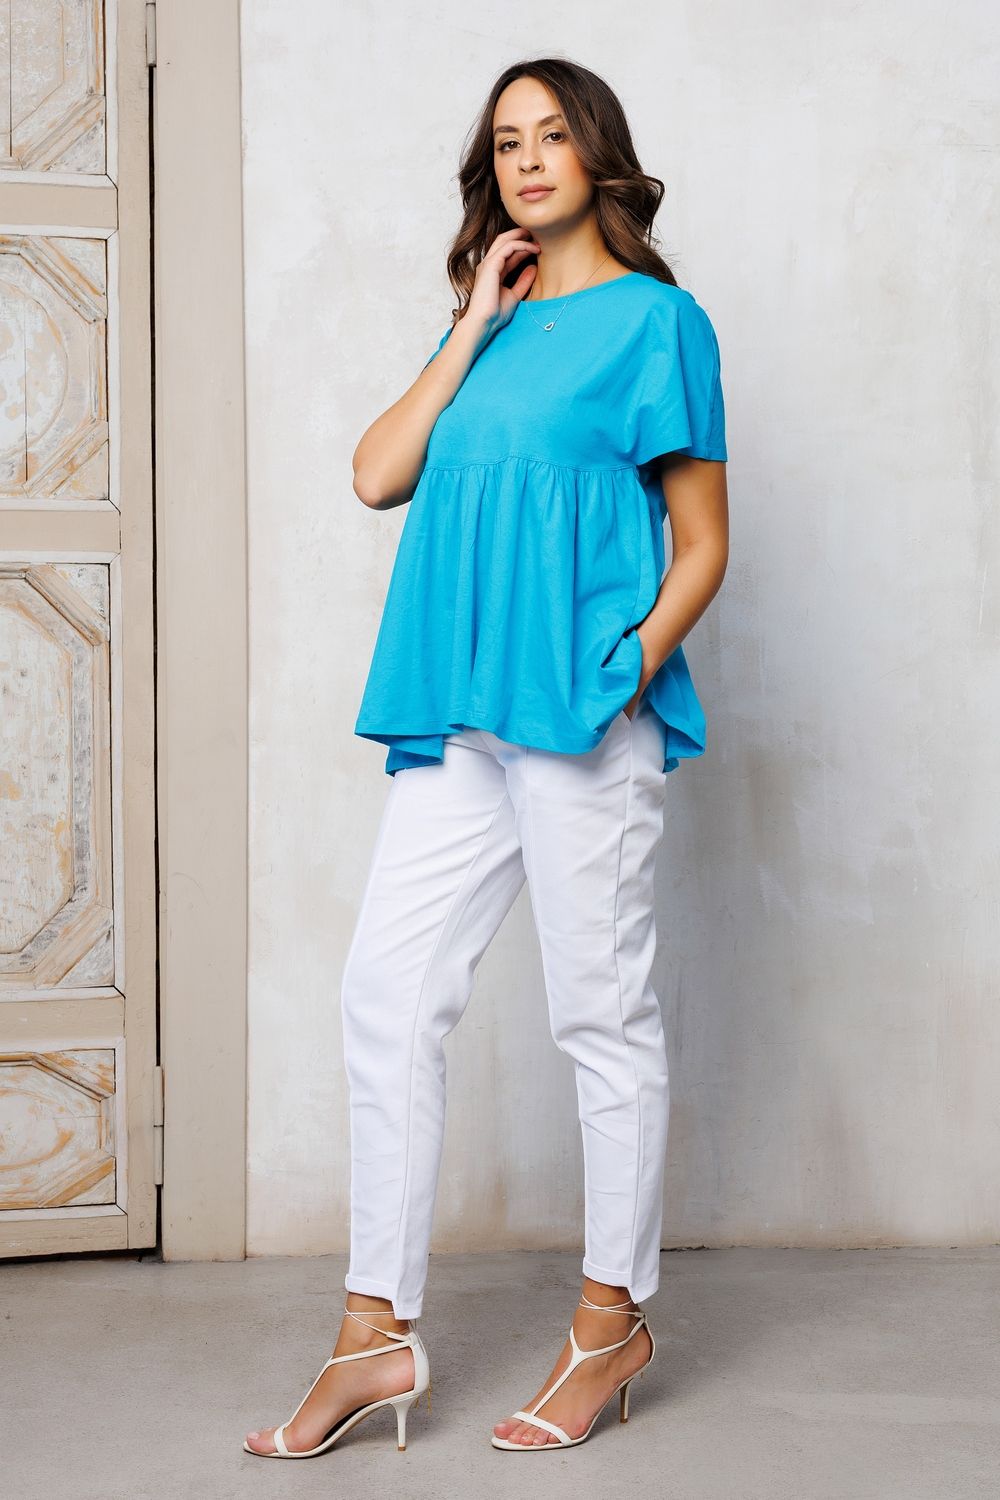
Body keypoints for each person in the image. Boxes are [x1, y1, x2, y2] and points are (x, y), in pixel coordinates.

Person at [244, 55, 729, 1460]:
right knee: (388, 993)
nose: (526, 159)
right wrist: (470, 322)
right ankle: (373, 1334)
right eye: (506, 141)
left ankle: (610, 1323)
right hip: (461, 712)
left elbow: (704, 546)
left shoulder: (662, 324)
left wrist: (623, 673)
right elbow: (376, 473)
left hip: (580, 719)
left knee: (599, 1013)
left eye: (551, 135)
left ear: (598, 155)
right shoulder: (492, 328)